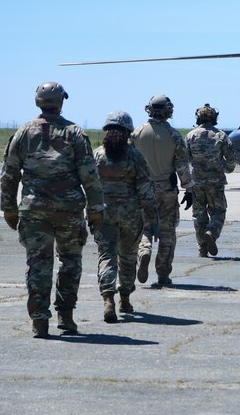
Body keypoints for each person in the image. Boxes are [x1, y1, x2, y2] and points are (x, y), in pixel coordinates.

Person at [0, 81, 104, 338]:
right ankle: (66, 316)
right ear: (61, 101)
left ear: (37, 101)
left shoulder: (24, 132)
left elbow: (9, 173)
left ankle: (39, 320)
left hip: (33, 210)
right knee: (70, 262)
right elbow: (89, 175)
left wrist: (9, 208)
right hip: (68, 210)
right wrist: (96, 208)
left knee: (38, 264)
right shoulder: (75, 133)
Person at [93, 111, 158, 322]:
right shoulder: (135, 156)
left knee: (106, 256)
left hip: (104, 214)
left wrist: (90, 210)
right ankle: (125, 298)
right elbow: (145, 190)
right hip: (131, 215)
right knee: (128, 257)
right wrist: (152, 217)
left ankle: (107, 299)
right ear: (128, 132)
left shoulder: (97, 155)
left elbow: (89, 186)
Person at [131, 95, 192, 287]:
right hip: (166, 189)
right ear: (168, 110)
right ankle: (163, 274)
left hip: (142, 189)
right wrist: (188, 188)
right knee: (167, 232)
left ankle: (144, 252)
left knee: (144, 227)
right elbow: (182, 166)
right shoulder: (174, 135)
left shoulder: (137, 133)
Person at [185, 104, 236, 257]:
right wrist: (226, 168)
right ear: (214, 118)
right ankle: (212, 233)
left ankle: (202, 247)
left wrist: (187, 182)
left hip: (197, 182)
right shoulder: (220, 135)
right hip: (216, 182)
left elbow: (184, 159)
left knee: (199, 214)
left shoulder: (190, 136)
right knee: (218, 212)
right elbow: (231, 159)